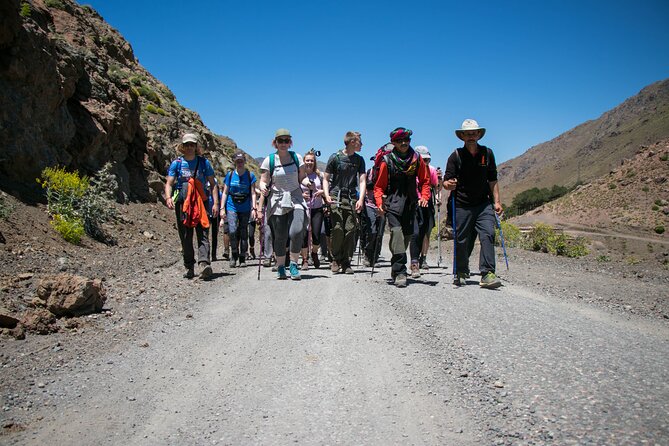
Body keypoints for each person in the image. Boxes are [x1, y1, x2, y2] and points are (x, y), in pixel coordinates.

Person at [443, 119, 503, 289]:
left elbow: (492, 179)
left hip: (484, 204)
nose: (471, 136)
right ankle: (461, 271)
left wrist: (497, 201)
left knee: (488, 234)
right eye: (467, 133)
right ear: (462, 136)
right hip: (462, 204)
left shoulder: (488, 153)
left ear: (478, 135)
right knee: (462, 239)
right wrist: (449, 184)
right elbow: (446, 181)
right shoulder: (455, 156)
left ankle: (487, 273)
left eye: (473, 133)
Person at [374, 127, 430, 287]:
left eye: (406, 140)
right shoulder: (387, 161)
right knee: (397, 234)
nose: (404, 143)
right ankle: (400, 271)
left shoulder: (416, 159)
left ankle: (395, 264)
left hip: (410, 204)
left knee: (405, 237)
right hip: (392, 203)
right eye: (400, 140)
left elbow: (425, 180)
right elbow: (379, 187)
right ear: (393, 143)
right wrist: (379, 203)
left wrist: (425, 196)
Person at [257, 129, 310, 280]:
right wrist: (262, 187)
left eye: (286, 140)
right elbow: (264, 180)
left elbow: (302, 178)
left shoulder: (296, 157)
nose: (283, 144)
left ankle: (293, 264)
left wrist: (308, 183)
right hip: (277, 199)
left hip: (295, 197)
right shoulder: (270, 160)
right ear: (275, 143)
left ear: (290, 142)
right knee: (279, 236)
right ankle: (281, 266)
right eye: (280, 141)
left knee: (297, 231)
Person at [164, 132, 219, 279]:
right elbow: (169, 182)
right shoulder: (177, 163)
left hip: (201, 202)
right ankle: (189, 267)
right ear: (183, 146)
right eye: (187, 145)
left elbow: (213, 184)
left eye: (192, 145)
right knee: (186, 235)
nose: (189, 147)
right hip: (183, 203)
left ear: (196, 147)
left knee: (203, 232)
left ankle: (204, 263)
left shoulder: (203, 163)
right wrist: (168, 197)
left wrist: (216, 203)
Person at [323, 131, 366, 274]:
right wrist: (327, 194)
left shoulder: (360, 160)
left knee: (350, 229)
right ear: (352, 142)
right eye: (360, 142)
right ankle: (335, 258)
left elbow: (362, 180)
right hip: (336, 196)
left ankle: (346, 260)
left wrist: (361, 199)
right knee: (337, 228)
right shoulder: (335, 158)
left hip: (352, 197)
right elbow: (326, 178)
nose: (362, 144)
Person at [220, 152, 257, 268]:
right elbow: (225, 192)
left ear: (244, 161)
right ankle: (234, 254)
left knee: (243, 232)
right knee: (232, 230)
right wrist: (222, 208)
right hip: (232, 206)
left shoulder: (250, 175)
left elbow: (253, 193)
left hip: (245, 207)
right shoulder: (230, 175)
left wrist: (254, 208)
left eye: (241, 161)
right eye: (237, 161)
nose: (239, 163)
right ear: (234, 162)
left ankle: (242, 257)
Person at [409, 146, 440, 277]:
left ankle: (424, 257)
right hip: (413, 204)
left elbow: (436, 187)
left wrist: (438, 198)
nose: (425, 162)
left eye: (427, 160)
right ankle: (414, 261)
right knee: (415, 233)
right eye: (423, 159)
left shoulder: (431, 170)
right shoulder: (410, 170)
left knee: (426, 232)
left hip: (427, 205)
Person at [300, 149, 325, 270]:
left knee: (316, 234)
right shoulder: (299, 175)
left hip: (317, 208)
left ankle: (314, 253)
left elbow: (328, 189)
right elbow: (293, 189)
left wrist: (322, 192)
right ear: (303, 161)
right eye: (307, 160)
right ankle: (305, 259)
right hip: (303, 208)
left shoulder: (320, 175)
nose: (309, 162)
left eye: (311, 160)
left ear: (314, 162)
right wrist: (301, 195)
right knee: (304, 234)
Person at [207, 178, 223, 261]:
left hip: (215, 216)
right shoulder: (205, 193)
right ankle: (207, 255)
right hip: (206, 215)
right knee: (205, 236)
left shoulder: (219, 194)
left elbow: (221, 204)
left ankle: (213, 255)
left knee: (214, 236)